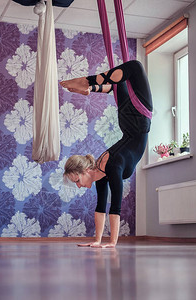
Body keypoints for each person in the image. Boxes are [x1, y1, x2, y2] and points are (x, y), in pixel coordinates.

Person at [60, 60, 152, 248]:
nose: (78, 186)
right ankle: (89, 87)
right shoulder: (100, 173)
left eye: (77, 180)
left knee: (134, 67)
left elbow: (116, 207)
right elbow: (101, 207)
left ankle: (86, 82)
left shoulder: (111, 165)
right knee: (118, 84)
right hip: (130, 120)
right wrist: (97, 241)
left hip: (137, 121)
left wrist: (112, 242)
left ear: (85, 170)